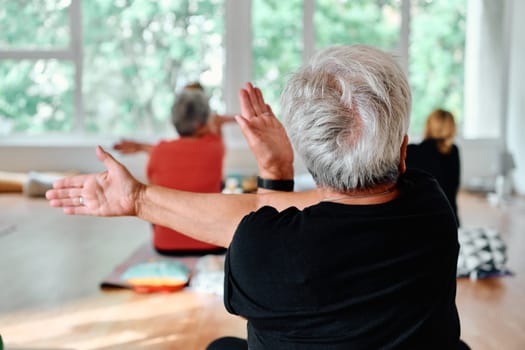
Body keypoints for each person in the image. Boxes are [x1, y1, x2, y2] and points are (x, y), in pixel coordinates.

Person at [46, 45, 469, 349]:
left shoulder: (262, 253)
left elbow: (262, 226)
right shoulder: (431, 206)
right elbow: (271, 224)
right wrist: (273, 173)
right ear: (401, 154)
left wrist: (139, 199)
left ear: (314, 163)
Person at [113, 86, 234, 254]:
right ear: (202, 123)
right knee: (220, 187)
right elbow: (213, 126)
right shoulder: (216, 147)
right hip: (212, 244)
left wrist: (141, 147)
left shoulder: (159, 151)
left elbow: (170, 152)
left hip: (165, 246)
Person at [406, 109, 461, 226]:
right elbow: (454, 187)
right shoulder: (453, 152)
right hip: (449, 221)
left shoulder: (410, 151)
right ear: (451, 129)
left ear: (428, 127)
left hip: (418, 222)